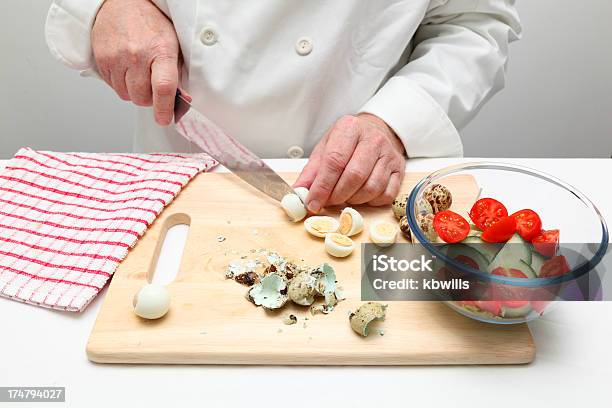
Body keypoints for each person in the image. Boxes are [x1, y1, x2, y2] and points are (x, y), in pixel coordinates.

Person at [45, 0, 520, 212]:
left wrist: (395, 121)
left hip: (359, 189)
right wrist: (107, 5)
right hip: (173, 186)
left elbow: (476, 24)